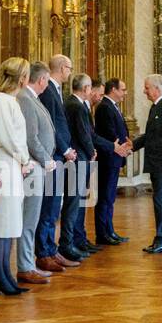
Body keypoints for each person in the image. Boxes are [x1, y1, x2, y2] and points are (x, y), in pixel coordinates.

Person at [0, 58, 33, 296]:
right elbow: (10, 138)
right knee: (2, 222)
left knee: (12, 221)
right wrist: (25, 159)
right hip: (5, 163)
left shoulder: (9, 100)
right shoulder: (3, 101)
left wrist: (22, 160)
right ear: (21, 78)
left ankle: (5, 274)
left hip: (12, 163)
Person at [35, 54, 78, 270]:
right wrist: (66, 149)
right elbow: (51, 127)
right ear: (62, 68)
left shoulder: (55, 90)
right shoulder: (49, 92)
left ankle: (51, 250)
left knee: (53, 208)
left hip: (58, 155)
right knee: (49, 207)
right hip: (53, 156)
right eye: (69, 68)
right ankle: (44, 252)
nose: (70, 72)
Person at [17, 61, 57, 284]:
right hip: (33, 166)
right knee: (29, 219)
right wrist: (46, 159)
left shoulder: (32, 98)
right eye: (47, 81)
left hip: (39, 166)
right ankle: (25, 266)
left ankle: (28, 263)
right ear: (42, 79)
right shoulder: (25, 98)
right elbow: (30, 138)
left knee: (33, 218)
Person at [132, 73, 162, 253]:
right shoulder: (155, 107)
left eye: (146, 88)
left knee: (161, 201)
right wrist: (133, 145)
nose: (144, 91)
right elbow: (151, 135)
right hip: (157, 164)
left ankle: (161, 240)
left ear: (157, 89)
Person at [62, 73, 101, 259]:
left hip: (77, 158)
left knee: (77, 202)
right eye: (90, 87)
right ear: (85, 88)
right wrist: (92, 150)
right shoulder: (76, 106)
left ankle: (76, 240)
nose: (91, 91)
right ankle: (69, 244)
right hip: (79, 159)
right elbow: (84, 134)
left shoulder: (71, 103)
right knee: (73, 204)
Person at [93, 77, 133, 245]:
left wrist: (127, 145)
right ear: (114, 90)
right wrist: (122, 147)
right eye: (122, 89)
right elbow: (109, 133)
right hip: (108, 160)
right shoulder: (104, 107)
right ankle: (103, 234)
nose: (125, 93)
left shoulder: (113, 106)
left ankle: (110, 231)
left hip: (115, 159)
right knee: (105, 198)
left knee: (110, 198)